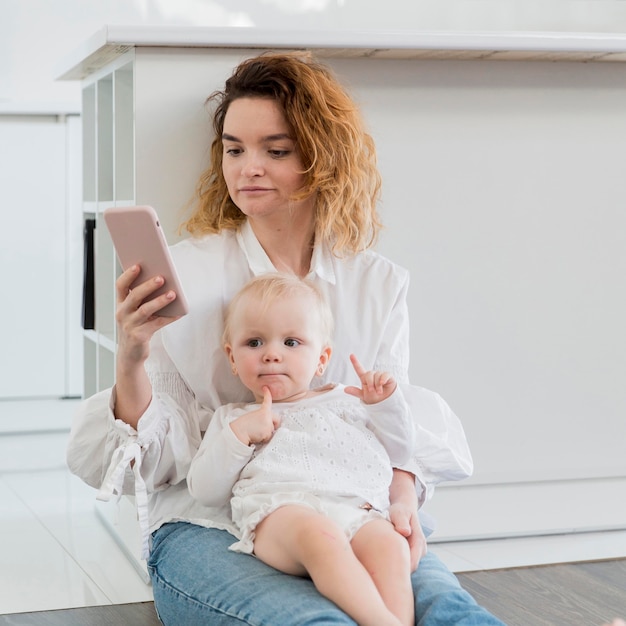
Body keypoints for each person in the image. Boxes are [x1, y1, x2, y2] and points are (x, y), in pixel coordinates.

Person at [67, 51, 505, 625]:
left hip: (354, 506)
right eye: (234, 149)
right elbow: (162, 459)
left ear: (322, 158)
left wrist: (399, 500)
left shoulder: (375, 283)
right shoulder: (189, 273)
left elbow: (391, 419)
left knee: (448, 611)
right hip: (212, 522)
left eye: (275, 151)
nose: (248, 168)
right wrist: (131, 357)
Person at [188, 273, 416, 626]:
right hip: (281, 514)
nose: (272, 355)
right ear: (232, 358)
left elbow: (401, 451)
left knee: (391, 548)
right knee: (319, 537)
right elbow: (204, 490)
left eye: (291, 342)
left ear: (322, 358)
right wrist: (240, 436)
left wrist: (384, 404)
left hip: (355, 507)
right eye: (254, 343)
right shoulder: (235, 418)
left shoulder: (348, 401)